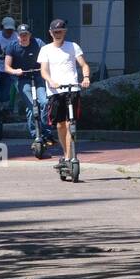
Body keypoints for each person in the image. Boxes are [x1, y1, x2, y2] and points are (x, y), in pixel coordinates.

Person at [38, 19, 91, 169]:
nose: (58, 34)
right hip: (55, 91)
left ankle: (69, 157)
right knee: (60, 125)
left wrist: (86, 77)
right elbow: (43, 71)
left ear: (65, 32)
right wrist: (50, 81)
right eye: (55, 32)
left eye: (60, 31)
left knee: (70, 123)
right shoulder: (46, 50)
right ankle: (66, 154)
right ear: (50, 33)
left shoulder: (73, 47)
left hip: (72, 90)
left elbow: (84, 65)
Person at [4, 23, 52, 147]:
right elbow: (7, 67)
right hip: (22, 78)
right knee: (31, 106)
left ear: (30, 35)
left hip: (37, 75)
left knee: (44, 102)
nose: (23, 37)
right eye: (21, 35)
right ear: (17, 36)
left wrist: (44, 67)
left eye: (26, 35)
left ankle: (46, 131)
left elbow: (48, 56)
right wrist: (15, 71)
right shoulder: (12, 46)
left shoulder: (39, 43)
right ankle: (35, 134)